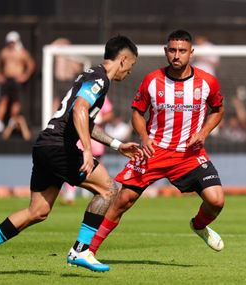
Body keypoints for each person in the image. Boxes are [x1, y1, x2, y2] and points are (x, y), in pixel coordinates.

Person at [73, 29, 226, 272]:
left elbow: (217, 110)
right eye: (172, 50)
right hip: (153, 152)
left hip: (189, 155)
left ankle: (198, 225)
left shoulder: (207, 82)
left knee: (216, 201)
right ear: (166, 51)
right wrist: (144, 137)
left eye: (182, 51)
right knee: (122, 199)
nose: (177, 56)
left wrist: (204, 133)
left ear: (191, 53)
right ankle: (88, 251)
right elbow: (137, 112)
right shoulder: (152, 80)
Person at [0, 36, 143, 272]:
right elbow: (80, 109)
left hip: (45, 145)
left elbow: (85, 120)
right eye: (131, 66)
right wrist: (86, 150)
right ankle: (81, 250)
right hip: (58, 146)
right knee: (108, 189)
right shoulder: (99, 78)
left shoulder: (90, 75)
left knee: (38, 211)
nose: (128, 72)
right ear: (124, 59)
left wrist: (117, 144)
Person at [60, 96, 115, 205]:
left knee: (97, 162)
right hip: (80, 134)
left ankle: (92, 191)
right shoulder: (80, 95)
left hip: (96, 135)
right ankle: (70, 193)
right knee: (75, 162)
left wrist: (101, 119)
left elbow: (109, 113)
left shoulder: (102, 96)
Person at [0, 31, 35, 133]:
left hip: (17, 80)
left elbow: (31, 65)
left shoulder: (22, 53)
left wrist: (25, 76)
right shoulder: (4, 52)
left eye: (13, 42)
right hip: (6, 80)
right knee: (3, 99)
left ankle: (12, 120)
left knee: (16, 101)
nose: (11, 44)